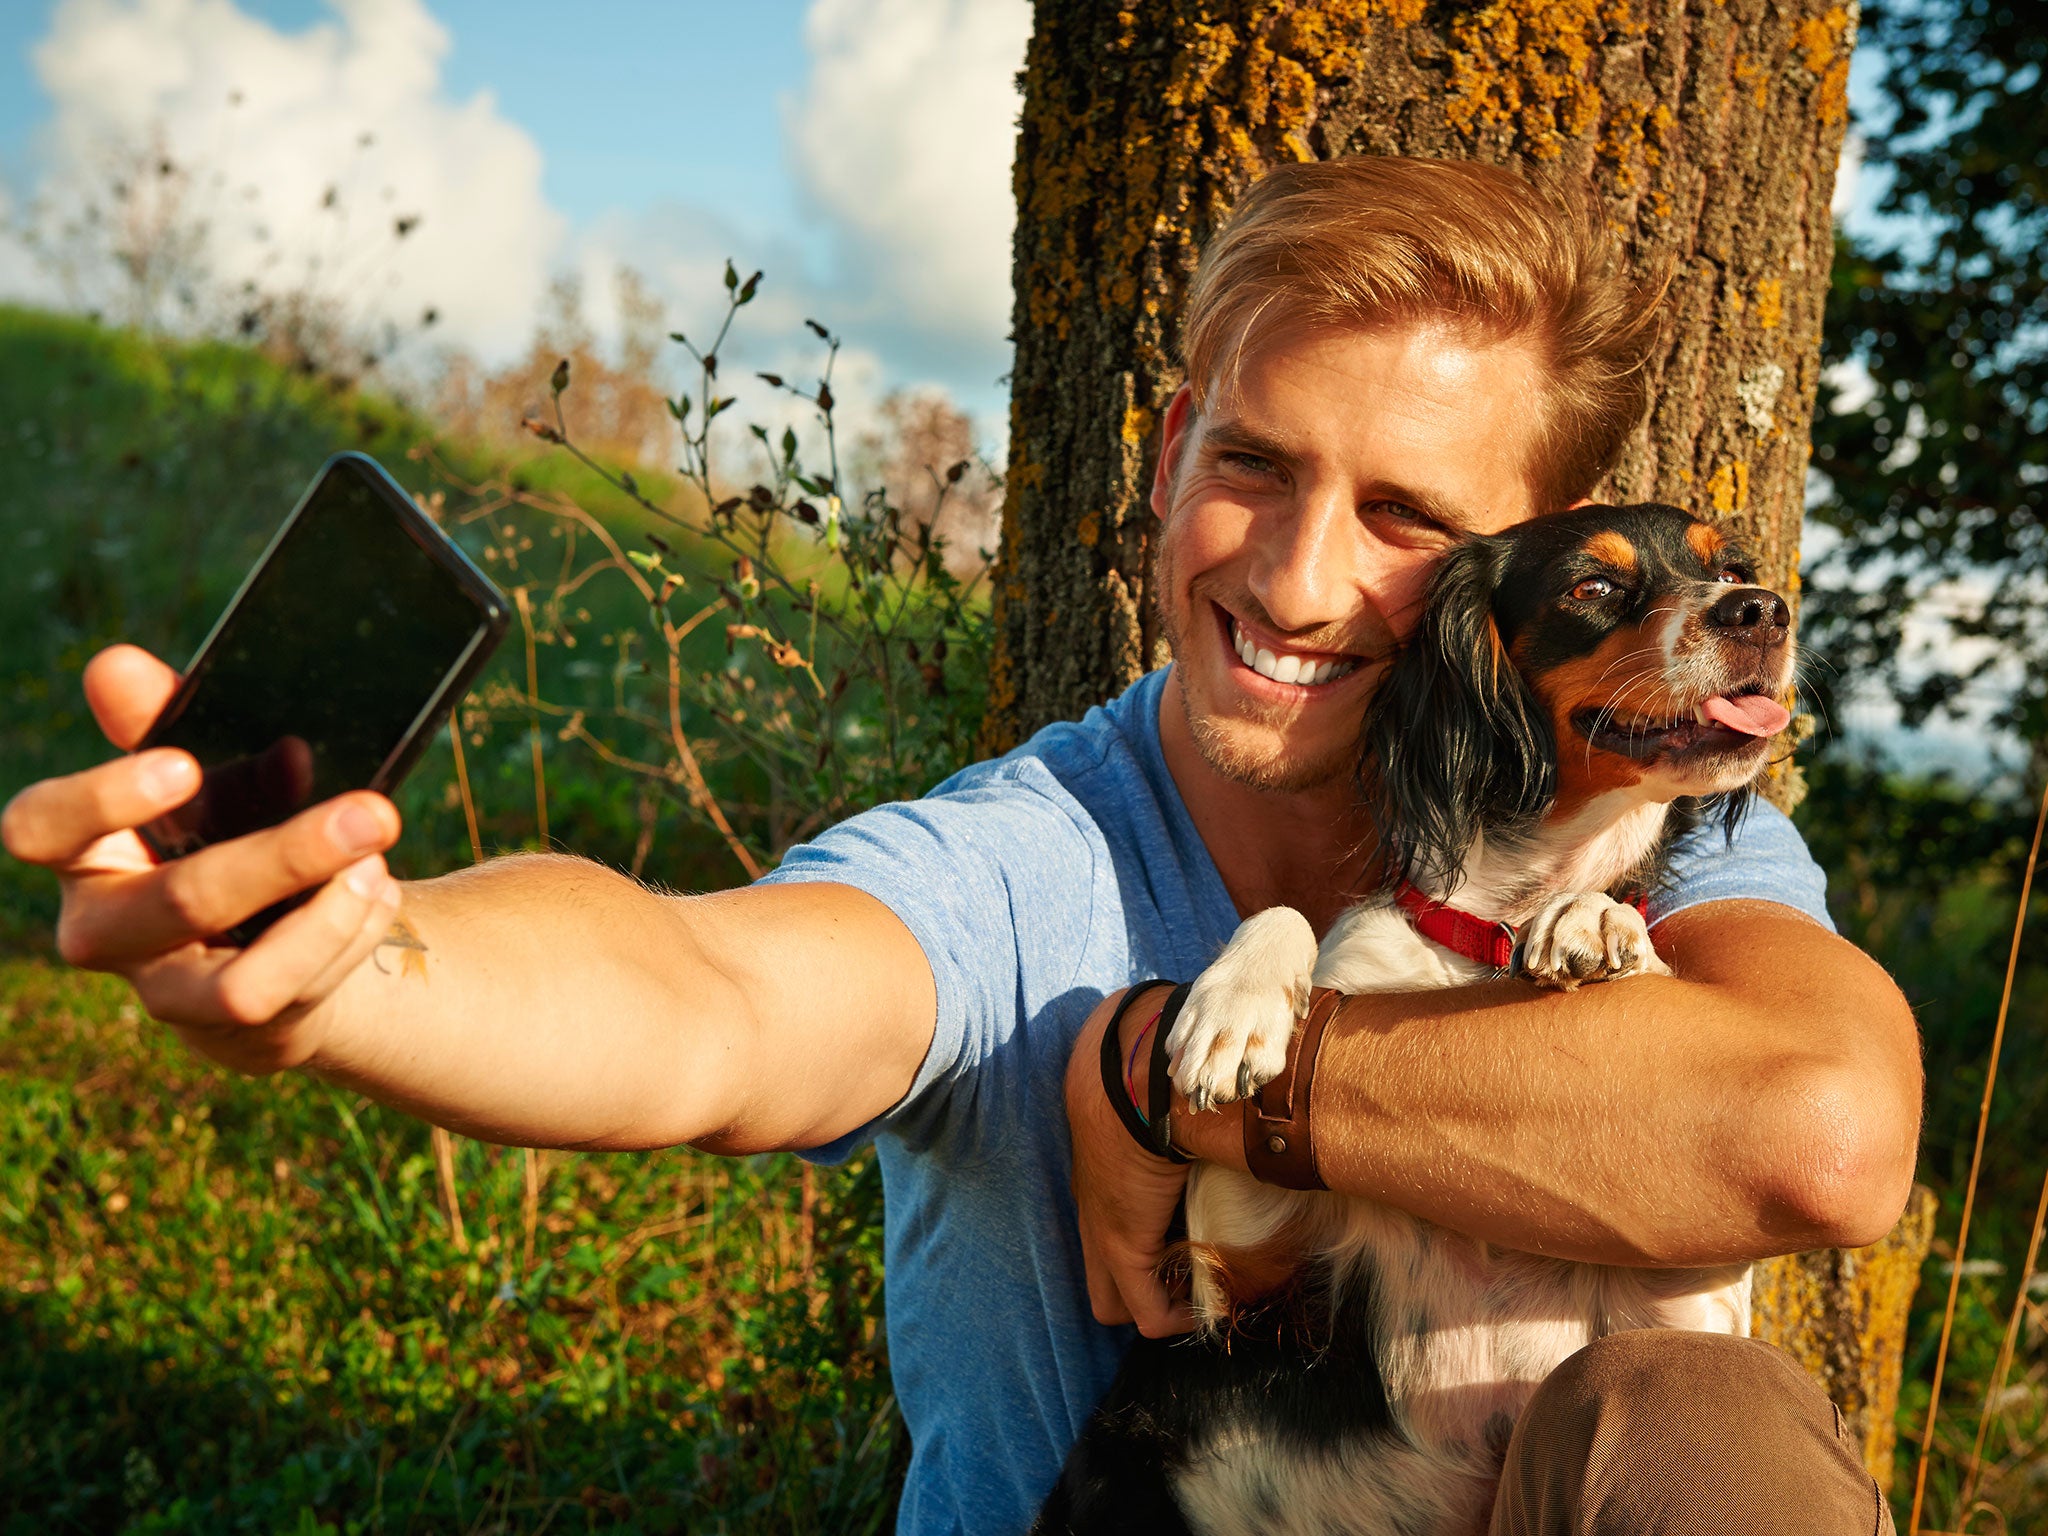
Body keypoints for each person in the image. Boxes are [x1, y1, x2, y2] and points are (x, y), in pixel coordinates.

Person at [2, 158, 1920, 1535]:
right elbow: (708, 1000)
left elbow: (1821, 1130)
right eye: (1252, 462)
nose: (1295, 570)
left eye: (1405, 516)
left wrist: (1173, 1080)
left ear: (1518, 587)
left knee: (1703, 1416)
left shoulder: (1651, 825)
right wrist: (369, 959)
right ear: (1168, 455)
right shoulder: (1033, 860)